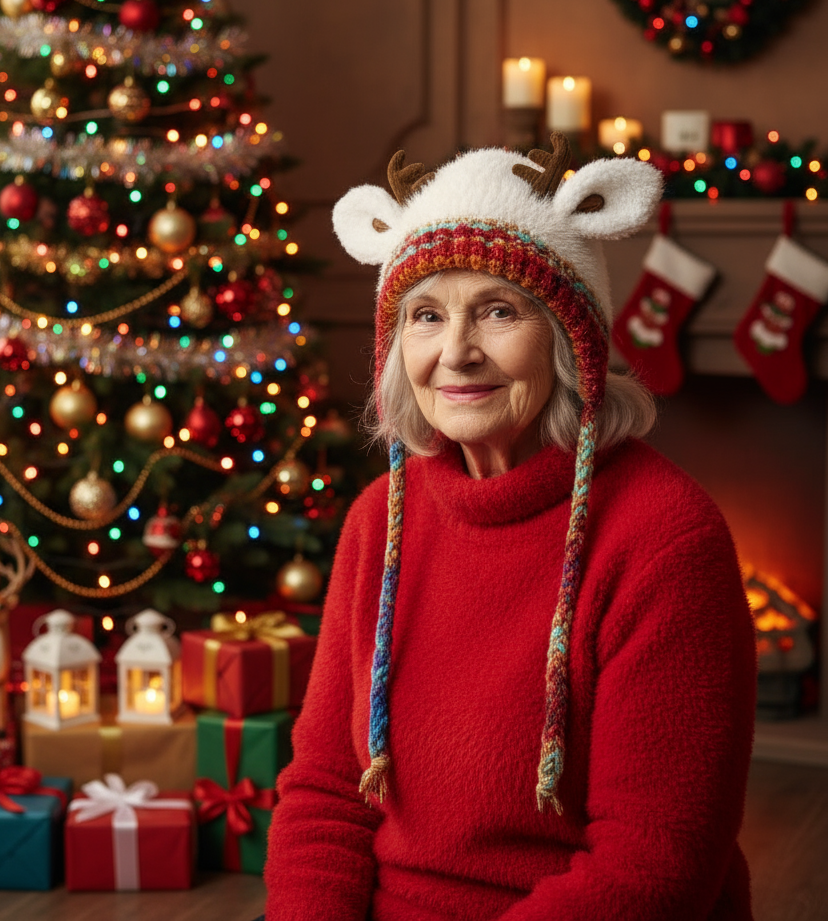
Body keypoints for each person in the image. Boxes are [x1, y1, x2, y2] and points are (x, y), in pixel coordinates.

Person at [262, 134, 757, 920]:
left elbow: (656, 866)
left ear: (571, 342)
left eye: (498, 310)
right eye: (426, 315)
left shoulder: (667, 537)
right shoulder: (375, 522)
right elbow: (325, 792)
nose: (455, 353)